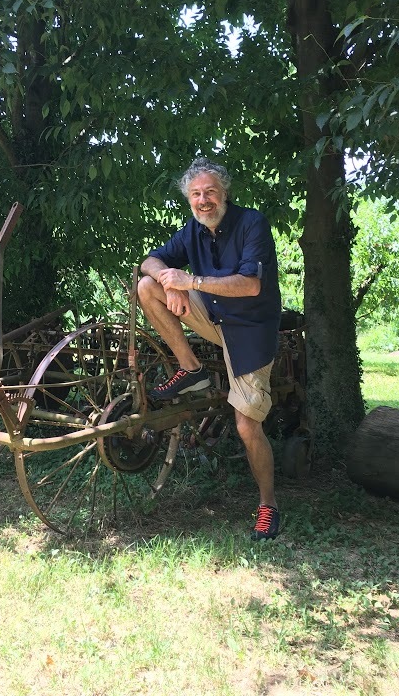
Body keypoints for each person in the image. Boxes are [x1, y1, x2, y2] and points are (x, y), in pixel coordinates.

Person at [137, 157, 282, 540]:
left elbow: (251, 285)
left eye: (210, 192)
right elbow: (149, 261)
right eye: (196, 194)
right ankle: (193, 370)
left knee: (247, 425)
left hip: (250, 330)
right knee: (147, 287)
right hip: (214, 319)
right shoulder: (193, 230)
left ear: (225, 194)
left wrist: (191, 280)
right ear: (189, 199)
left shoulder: (253, 224)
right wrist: (169, 282)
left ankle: (268, 506)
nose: (204, 201)